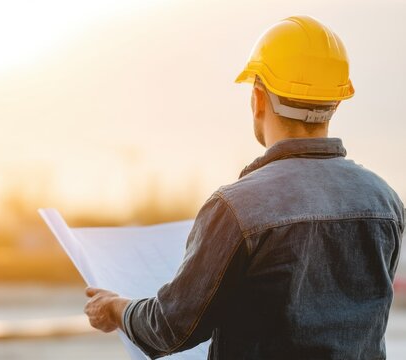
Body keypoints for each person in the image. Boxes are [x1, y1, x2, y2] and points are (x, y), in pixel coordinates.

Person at [83, 15, 405, 359]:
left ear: (258, 98)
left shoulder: (238, 206)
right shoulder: (385, 201)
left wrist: (117, 308)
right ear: (336, 102)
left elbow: (171, 328)